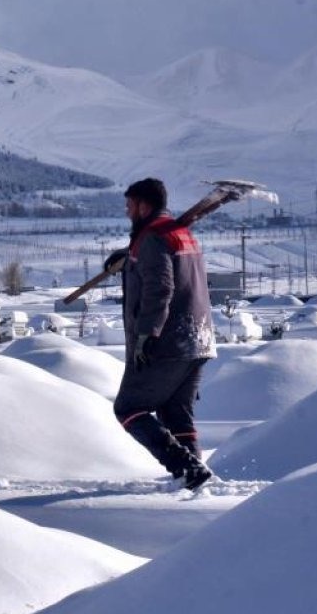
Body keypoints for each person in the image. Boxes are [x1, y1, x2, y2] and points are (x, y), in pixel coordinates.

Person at [110, 178, 217, 490]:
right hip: (199, 340)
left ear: (144, 205)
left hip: (168, 341)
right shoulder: (179, 233)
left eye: (130, 206)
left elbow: (160, 288)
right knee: (174, 412)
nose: (128, 213)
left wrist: (147, 334)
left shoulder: (153, 238)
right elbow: (166, 270)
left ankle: (185, 468)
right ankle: (197, 479)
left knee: (128, 408)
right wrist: (128, 258)